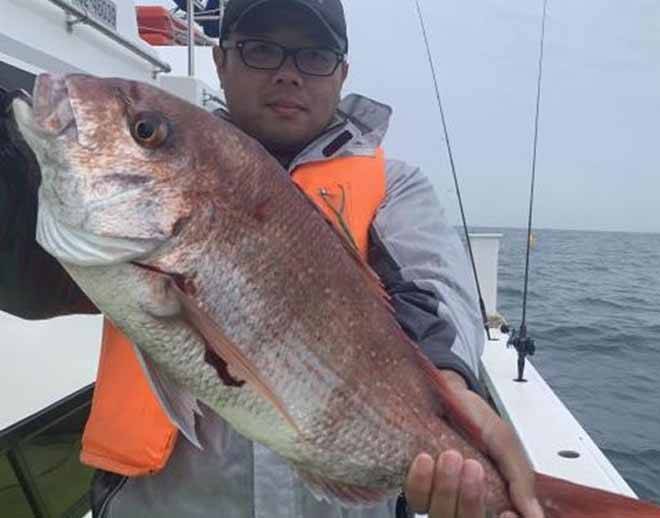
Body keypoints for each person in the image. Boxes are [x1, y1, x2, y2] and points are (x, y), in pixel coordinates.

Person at [0, 1, 543, 517]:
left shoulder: (394, 187)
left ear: (341, 73)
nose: (289, 74)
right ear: (221, 58)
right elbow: (23, 273)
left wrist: (447, 385)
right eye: (262, 49)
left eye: (314, 56)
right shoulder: (96, 226)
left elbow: (435, 289)